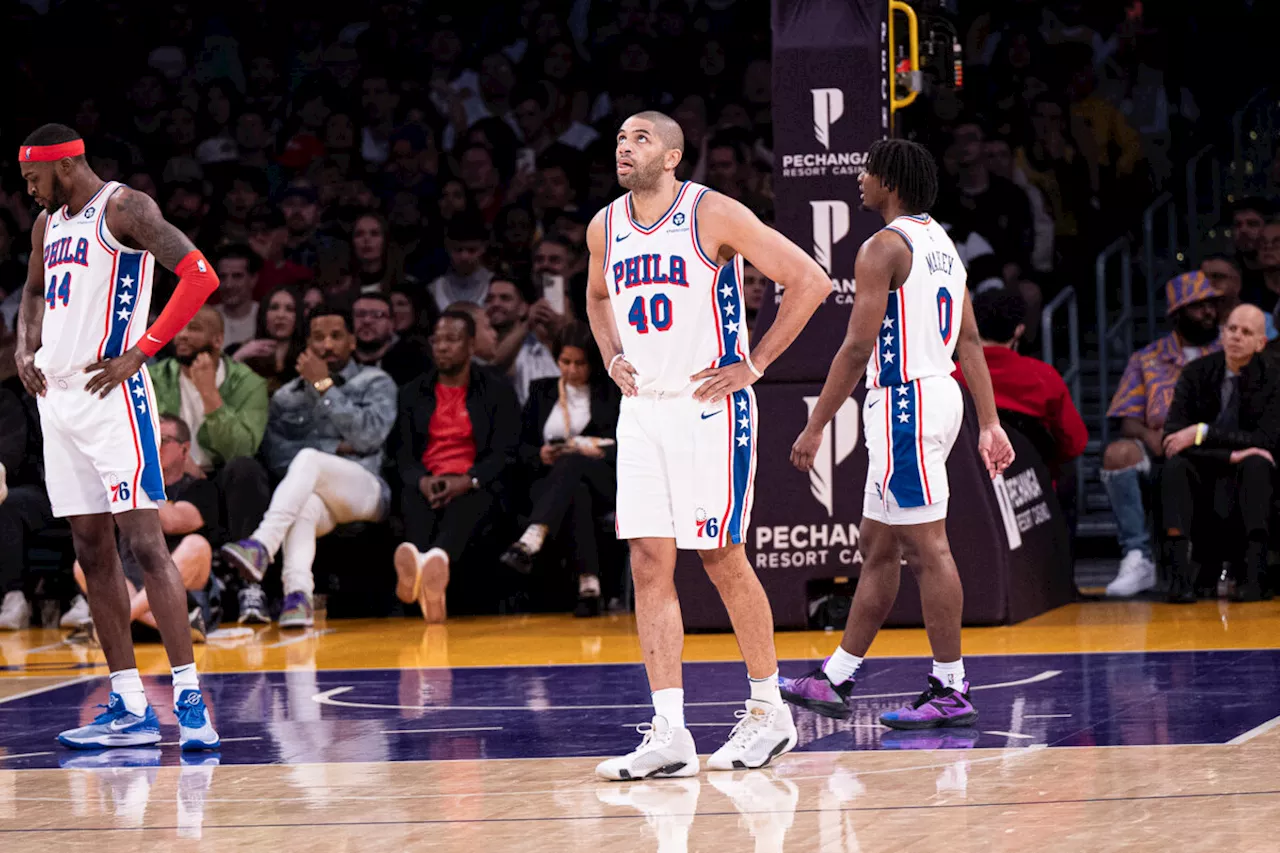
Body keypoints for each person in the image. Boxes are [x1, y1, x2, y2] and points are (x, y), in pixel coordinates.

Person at [587, 111, 831, 780]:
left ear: (672, 155)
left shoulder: (710, 213)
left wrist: (752, 364)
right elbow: (596, 297)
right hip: (642, 411)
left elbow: (810, 280)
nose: (624, 148)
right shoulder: (604, 226)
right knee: (646, 562)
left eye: (639, 139)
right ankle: (669, 729)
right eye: (619, 139)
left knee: (721, 554)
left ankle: (769, 711)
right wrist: (610, 356)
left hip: (707, 410)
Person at [780, 139, 1015, 728]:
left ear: (889, 181)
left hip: (904, 401)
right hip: (937, 394)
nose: (859, 178)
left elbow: (859, 345)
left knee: (927, 547)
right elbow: (968, 344)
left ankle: (951, 685)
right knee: (879, 546)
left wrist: (814, 425)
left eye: (867, 170)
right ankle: (836, 677)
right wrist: (988, 420)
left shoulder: (882, 247)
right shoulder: (943, 245)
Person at [14, 123, 220, 750]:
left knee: (145, 543)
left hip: (112, 394)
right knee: (90, 549)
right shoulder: (47, 225)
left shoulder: (124, 207)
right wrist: (27, 347)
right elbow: (31, 293)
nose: (28, 192)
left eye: (33, 179)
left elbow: (199, 274)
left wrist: (143, 351)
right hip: (59, 398)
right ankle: (128, 705)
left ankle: (189, 701)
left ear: (66, 165)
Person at [220, 307, 397, 628]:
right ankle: (297, 597)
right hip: (312, 494)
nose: (327, 345)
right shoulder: (287, 398)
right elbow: (277, 457)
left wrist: (325, 386)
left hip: (366, 489)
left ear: (352, 341)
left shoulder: (376, 382)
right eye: (318, 337)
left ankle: (262, 544)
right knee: (305, 505)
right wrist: (338, 446)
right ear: (307, 344)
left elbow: (369, 436)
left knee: (308, 458)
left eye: (336, 336)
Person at [392, 310, 520, 623]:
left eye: (452, 339)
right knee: (412, 498)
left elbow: (507, 451)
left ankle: (430, 565)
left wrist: (469, 479)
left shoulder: (496, 389)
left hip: (474, 482)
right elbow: (402, 455)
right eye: (438, 340)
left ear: (471, 345)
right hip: (429, 481)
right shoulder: (413, 392)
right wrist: (422, 480)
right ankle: (431, 574)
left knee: (472, 501)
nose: (443, 347)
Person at [1101, 273, 1221, 598]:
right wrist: (1147, 435)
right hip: (1162, 448)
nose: (1208, 312)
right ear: (1177, 313)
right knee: (1118, 454)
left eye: (1211, 304)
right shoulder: (1147, 358)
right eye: (1198, 307)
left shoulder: (1230, 350)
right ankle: (1138, 557)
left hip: (1217, 445)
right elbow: (1127, 419)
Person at [1161, 304, 1279, 603]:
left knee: (1256, 464)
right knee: (1175, 467)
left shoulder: (1274, 378)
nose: (1237, 336)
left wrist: (1202, 433)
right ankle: (1180, 580)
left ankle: (1254, 578)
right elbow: (1172, 437)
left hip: (1250, 470)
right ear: (1222, 334)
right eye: (1232, 329)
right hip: (1207, 464)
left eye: (1246, 332)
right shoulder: (1195, 372)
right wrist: (1226, 456)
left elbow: (1265, 440)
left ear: (1260, 343)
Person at [501, 324, 620, 616]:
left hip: (604, 478)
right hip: (551, 483)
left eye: (580, 363)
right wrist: (540, 454)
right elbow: (521, 447)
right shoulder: (541, 391)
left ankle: (532, 538)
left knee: (575, 461)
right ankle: (588, 587)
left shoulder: (610, 394)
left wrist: (598, 450)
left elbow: (626, 443)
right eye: (565, 362)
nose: (571, 370)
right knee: (574, 489)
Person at [73, 415, 219, 639]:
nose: (152, 446)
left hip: (182, 601)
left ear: (184, 449)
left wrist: (139, 477)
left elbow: (172, 522)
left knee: (197, 545)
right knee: (85, 561)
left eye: (163, 440)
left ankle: (122, 620)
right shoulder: (124, 486)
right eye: (146, 440)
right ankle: (165, 625)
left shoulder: (200, 489)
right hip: (133, 591)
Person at [212, 244, 261, 348]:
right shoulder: (207, 318)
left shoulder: (266, 317)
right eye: (222, 277)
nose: (228, 285)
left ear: (253, 279)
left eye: (237, 276)